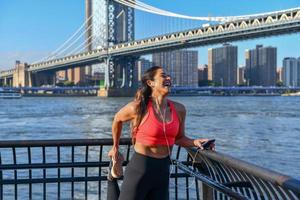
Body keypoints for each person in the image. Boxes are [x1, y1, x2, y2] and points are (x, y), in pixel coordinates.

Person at [108, 66, 214, 200]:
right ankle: (111, 178)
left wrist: (196, 142)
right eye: (163, 76)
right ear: (150, 83)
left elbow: (179, 138)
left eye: (168, 76)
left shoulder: (179, 109)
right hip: (140, 168)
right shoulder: (139, 107)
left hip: (163, 170)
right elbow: (117, 119)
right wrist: (115, 147)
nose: (168, 78)